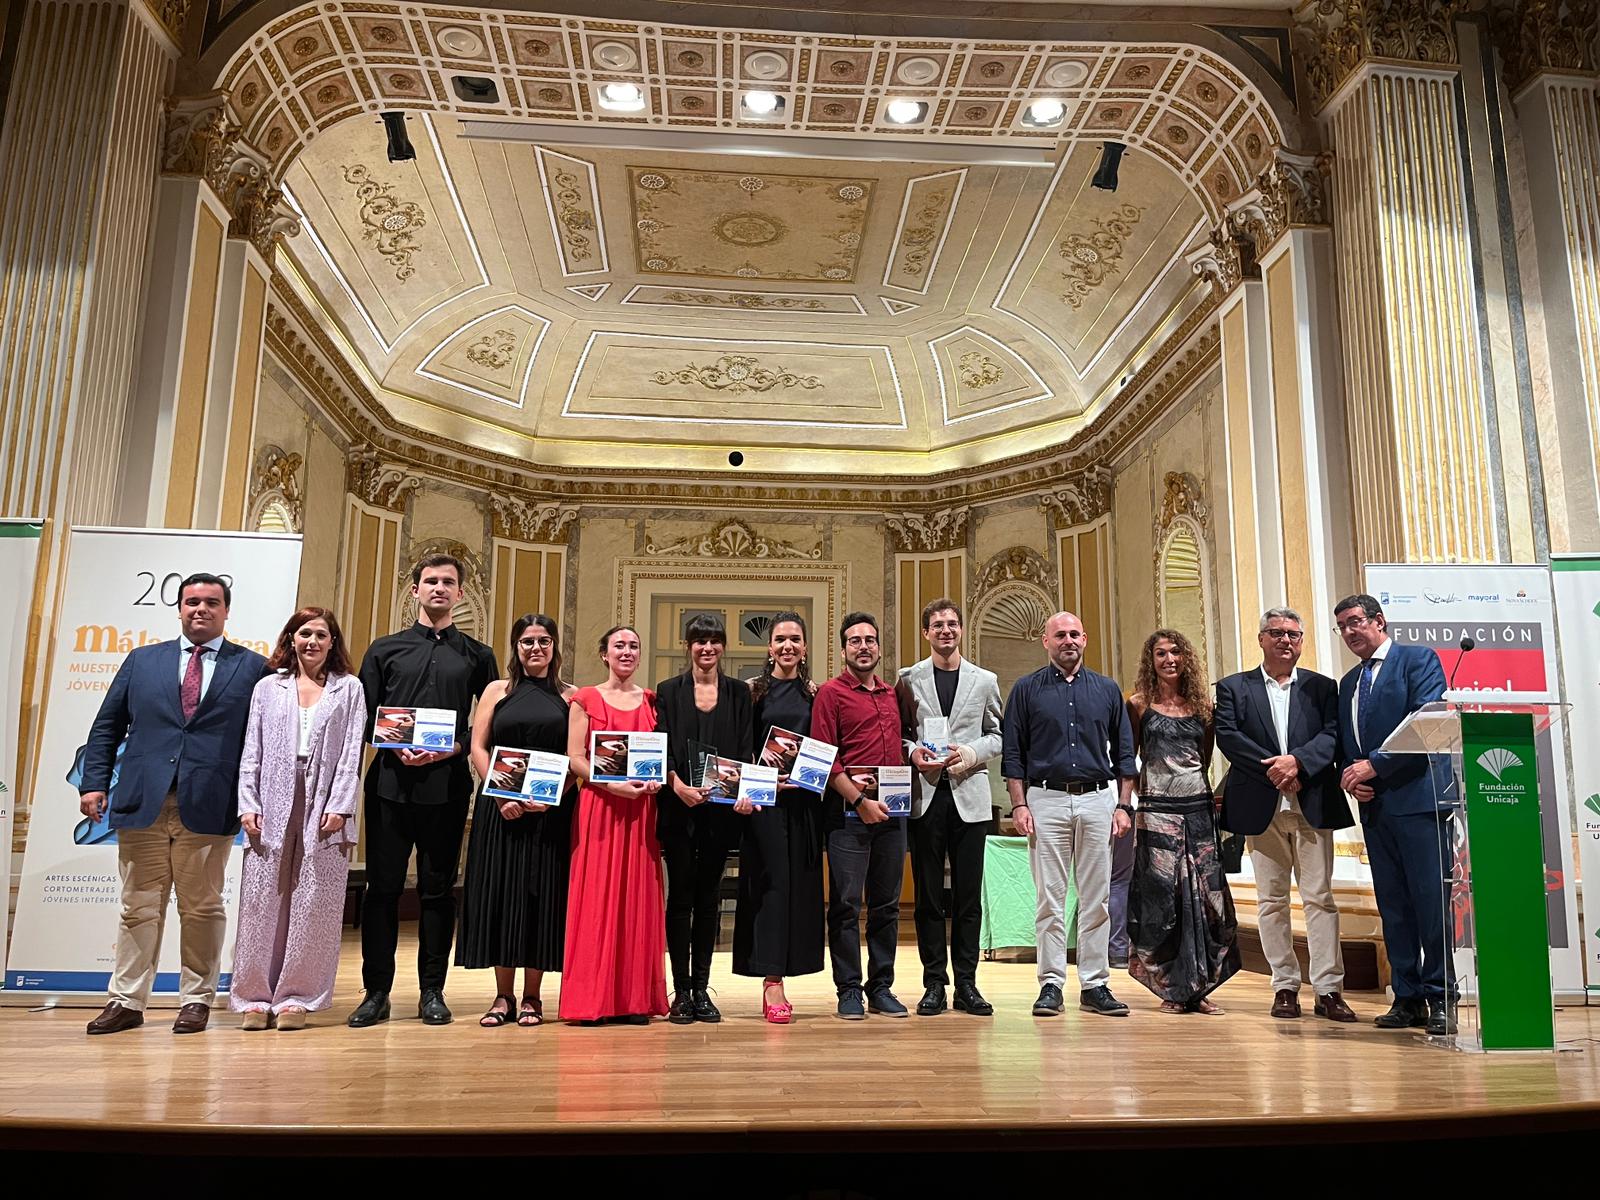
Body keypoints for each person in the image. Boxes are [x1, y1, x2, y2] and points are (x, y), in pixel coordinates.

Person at [79, 573, 270, 1035]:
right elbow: (107, 726)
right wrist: (93, 783)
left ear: (226, 611)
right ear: (179, 609)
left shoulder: (253, 668)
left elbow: (264, 741)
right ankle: (126, 1000)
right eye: (191, 602)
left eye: (211, 602)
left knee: (202, 906)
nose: (200, 609)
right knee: (137, 906)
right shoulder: (143, 661)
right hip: (143, 801)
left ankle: (197, 1000)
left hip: (209, 804)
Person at [348, 554, 498, 1029]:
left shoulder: (478, 655)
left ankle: (433, 991)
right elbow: (364, 716)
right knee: (382, 891)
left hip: (448, 786)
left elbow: (489, 720)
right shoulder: (383, 649)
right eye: (430, 581)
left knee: (437, 892)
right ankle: (376, 993)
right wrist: (392, 743)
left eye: (448, 582)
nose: (439, 588)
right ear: (415, 590)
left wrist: (453, 746)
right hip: (390, 786)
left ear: (460, 594)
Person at [1215, 607, 1356, 1022]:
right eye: (1276, 633)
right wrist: (1276, 770)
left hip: (1311, 802)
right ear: (1261, 639)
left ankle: (1329, 989)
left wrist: (1297, 762)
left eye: (1293, 634)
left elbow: (1333, 735)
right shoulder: (1233, 688)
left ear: (1301, 641)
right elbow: (1230, 738)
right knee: (1271, 901)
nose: (1285, 640)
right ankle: (1285, 986)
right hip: (1262, 806)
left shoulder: (1323, 687)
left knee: (1320, 899)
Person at [231, 607, 365, 1031]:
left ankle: (297, 998)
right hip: (271, 794)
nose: (312, 642)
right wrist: (247, 802)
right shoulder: (269, 688)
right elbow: (252, 746)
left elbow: (351, 752)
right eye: (304, 633)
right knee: (260, 896)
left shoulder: (350, 689)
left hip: (325, 797)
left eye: (321, 635)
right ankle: (254, 998)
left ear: (332, 643)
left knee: (315, 900)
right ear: (291, 638)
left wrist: (341, 805)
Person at [1001, 610, 1135, 1018]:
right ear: (1046, 642)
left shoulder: (1108, 690)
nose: (1068, 641)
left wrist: (1123, 805)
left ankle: (1095, 984)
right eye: (1060, 635)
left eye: (1074, 633)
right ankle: (1051, 984)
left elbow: (1125, 752)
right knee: (1050, 899)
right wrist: (1020, 804)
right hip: (1046, 801)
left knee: (1096, 899)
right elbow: (1013, 755)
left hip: (1098, 799)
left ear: (1085, 638)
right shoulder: (1025, 690)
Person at [1334, 593, 1454, 1034]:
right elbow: (1347, 741)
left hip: (1419, 802)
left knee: (1429, 903)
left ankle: (1441, 997)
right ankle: (1407, 998)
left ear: (1379, 621)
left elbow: (1427, 720)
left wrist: (1376, 766)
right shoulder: (1348, 682)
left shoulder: (1418, 660)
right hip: (1376, 808)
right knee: (1394, 907)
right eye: (1342, 626)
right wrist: (1353, 776)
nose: (1349, 632)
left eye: (1355, 622)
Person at [457, 614, 576, 1029]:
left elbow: (575, 757)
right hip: (500, 808)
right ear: (516, 647)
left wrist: (554, 797)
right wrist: (503, 792)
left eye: (544, 641)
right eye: (527, 642)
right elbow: (478, 746)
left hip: (549, 814)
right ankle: (502, 995)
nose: (536, 649)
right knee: (501, 895)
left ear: (554, 647)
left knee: (538, 898)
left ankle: (532, 997)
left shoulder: (571, 696)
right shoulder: (496, 690)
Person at [897, 598, 1003, 1017]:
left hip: (969, 797)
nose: (946, 630)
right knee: (926, 898)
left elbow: (999, 735)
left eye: (952, 624)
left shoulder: (984, 680)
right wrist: (913, 753)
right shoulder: (908, 679)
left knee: (967, 898)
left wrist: (972, 752)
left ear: (961, 630)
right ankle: (933, 984)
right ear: (926, 633)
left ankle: (967, 984)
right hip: (925, 796)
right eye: (937, 624)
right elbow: (899, 734)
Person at [1124, 628, 1239, 1014]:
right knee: (1163, 901)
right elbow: (1133, 758)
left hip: (1199, 811)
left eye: (1175, 652)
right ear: (1151, 661)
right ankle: (1172, 989)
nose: (1169, 659)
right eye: (1161, 653)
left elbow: (1203, 758)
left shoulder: (1204, 706)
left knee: (1206, 901)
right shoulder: (1138, 704)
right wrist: (1144, 801)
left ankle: (1199, 988)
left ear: (1186, 658)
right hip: (1156, 811)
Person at [562, 624, 668, 1024]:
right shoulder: (585, 698)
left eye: (634, 646)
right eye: (619, 645)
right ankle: (592, 1001)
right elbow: (575, 757)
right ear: (604, 653)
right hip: (599, 806)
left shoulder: (653, 701)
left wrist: (651, 781)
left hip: (640, 811)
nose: (627, 651)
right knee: (596, 898)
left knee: (638, 899)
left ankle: (634, 999)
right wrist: (614, 785)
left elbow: (658, 757)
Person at [812, 612, 909, 1020]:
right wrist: (859, 801)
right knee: (846, 906)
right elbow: (822, 760)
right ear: (844, 649)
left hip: (894, 815)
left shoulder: (892, 694)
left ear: (879, 648)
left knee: (887, 906)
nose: (864, 646)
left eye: (870, 640)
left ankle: (881, 987)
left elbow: (903, 744)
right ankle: (849, 989)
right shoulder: (831, 694)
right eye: (855, 641)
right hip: (849, 817)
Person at [655, 613, 752, 1024]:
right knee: (680, 899)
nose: (707, 648)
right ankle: (681, 991)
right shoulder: (668, 691)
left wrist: (740, 789)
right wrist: (677, 784)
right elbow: (664, 745)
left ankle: (701, 988)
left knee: (708, 899)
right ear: (688, 646)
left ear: (723, 647)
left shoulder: (739, 694)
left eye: (714, 641)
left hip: (719, 810)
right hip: (678, 807)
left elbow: (745, 748)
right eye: (699, 641)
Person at [734, 612, 826, 1024]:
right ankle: (772, 981)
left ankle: (795, 968)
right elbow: (740, 750)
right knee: (770, 889)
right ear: (769, 648)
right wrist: (763, 783)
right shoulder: (750, 693)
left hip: (806, 804)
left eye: (795, 639)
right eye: (780, 639)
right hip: (764, 804)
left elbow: (826, 747)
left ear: (805, 647)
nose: (788, 646)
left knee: (802, 889)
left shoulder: (817, 695)